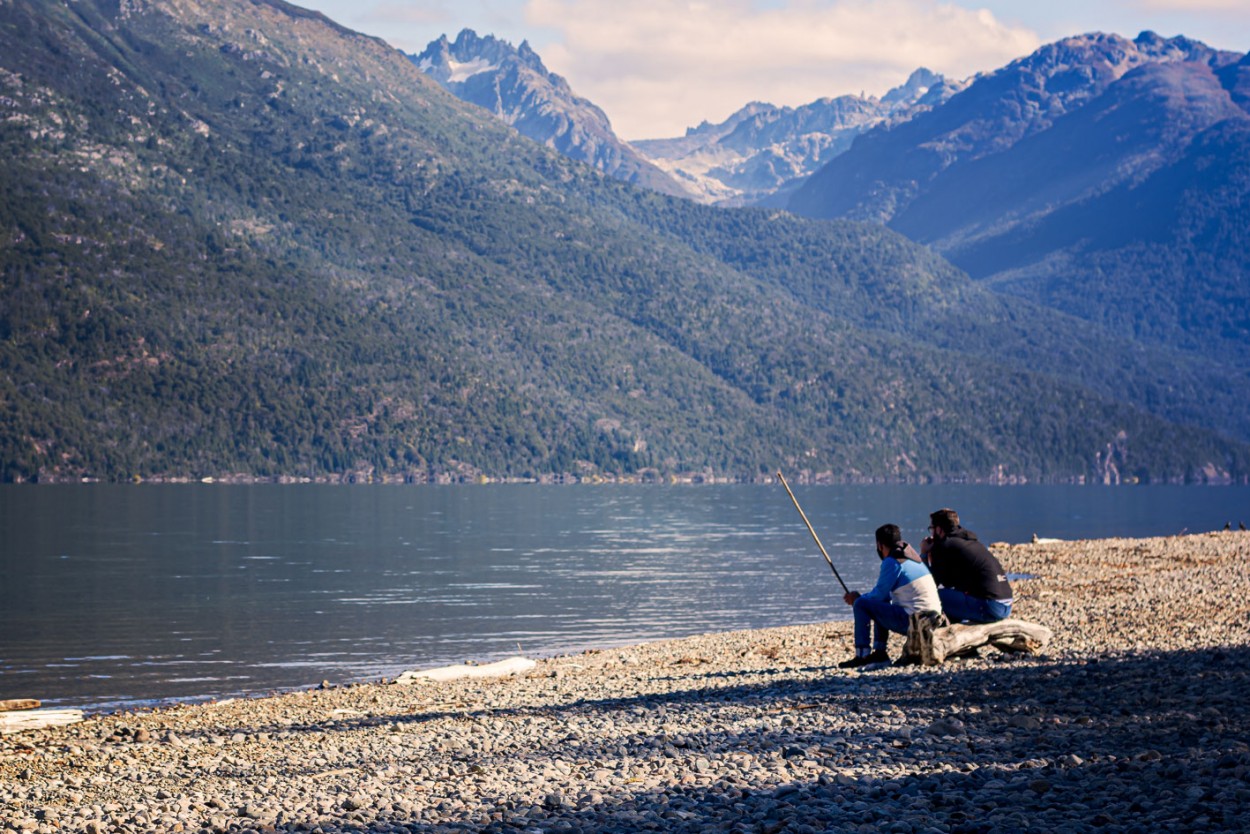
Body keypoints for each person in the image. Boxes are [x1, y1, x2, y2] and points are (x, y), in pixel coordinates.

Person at [838, 523, 942, 669]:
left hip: (916, 621)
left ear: (880, 545)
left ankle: (863, 655)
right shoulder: (913, 558)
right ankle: (880, 653)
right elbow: (883, 596)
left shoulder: (893, 561)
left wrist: (857, 599)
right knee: (881, 602)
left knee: (862, 604)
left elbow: (877, 596)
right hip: (932, 618)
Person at [920, 508, 1013, 624]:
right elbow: (952, 581)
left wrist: (924, 554)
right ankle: (953, 629)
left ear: (939, 530)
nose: (932, 533)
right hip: (1006, 605)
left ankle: (943, 635)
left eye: (932, 529)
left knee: (934, 596)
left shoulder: (945, 545)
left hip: (991, 607)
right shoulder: (968, 541)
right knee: (951, 594)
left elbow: (932, 582)